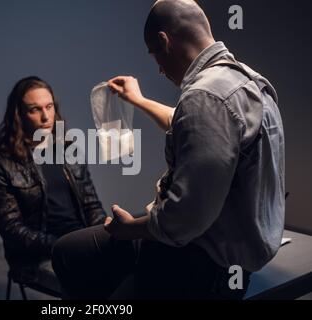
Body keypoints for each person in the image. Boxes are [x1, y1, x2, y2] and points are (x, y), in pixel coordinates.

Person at [52, 0, 285, 299]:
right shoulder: (243, 80)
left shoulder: (205, 97)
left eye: (155, 57)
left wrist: (131, 228)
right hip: (211, 250)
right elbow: (187, 124)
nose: (160, 70)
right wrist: (138, 99)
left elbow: (184, 220)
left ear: (164, 41)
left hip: (201, 265)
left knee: (76, 262)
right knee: (69, 251)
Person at [0, 76, 106, 286]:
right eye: (34, 109)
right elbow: (13, 230)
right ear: (19, 115)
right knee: (96, 281)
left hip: (82, 241)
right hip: (38, 257)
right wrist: (63, 245)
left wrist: (105, 232)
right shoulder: (1, 165)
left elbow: (92, 206)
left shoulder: (68, 150)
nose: (45, 116)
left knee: (135, 265)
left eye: (49, 107)